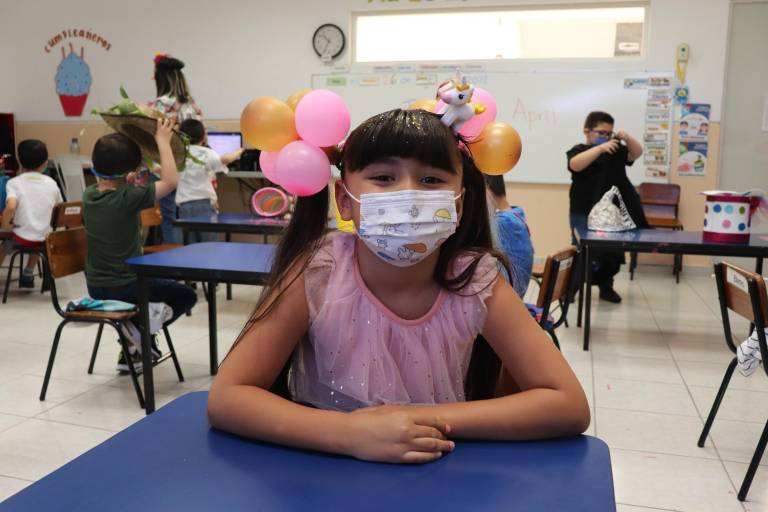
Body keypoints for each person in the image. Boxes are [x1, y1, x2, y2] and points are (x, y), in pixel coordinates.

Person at [207, 109, 590, 464]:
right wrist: (349, 433)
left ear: (458, 204)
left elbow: (568, 404)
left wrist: (416, 420)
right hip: (323, 472)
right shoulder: (319, 271)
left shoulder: (475, 279)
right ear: (344, 200)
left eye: (431, 180)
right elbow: (228, 396)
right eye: (384, 178)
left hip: (438, 472)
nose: (409, 196)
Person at [83, 119, 197, 372]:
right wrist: (162, 141)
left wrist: (130, 179)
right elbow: (170, 181)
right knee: (186, 295)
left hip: (96, 286)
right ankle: (141, 331)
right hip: (126, 287)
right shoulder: (128, 198)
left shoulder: (89, 195)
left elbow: (119, 189)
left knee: (155, 292)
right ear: (130, 174)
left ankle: (132, 345)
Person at [566, 111, 648, 303]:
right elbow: (575, 165)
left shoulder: (614, 151)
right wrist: (600, 148)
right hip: (582, 211)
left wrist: (627, 138)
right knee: (582, 251)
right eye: (601, 133)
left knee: (611, 252)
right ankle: (570, 291)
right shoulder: (579, 150)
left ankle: (606, 288)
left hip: (610, 213)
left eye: (609, 134)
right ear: (587, 131)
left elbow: (636, 153)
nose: (606, 137)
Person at [149, 54, 203, 245]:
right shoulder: (192, 105)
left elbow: (153, 138)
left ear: (160, 78)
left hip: (167, 167)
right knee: (187, 221)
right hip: (191, 169)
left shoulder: (159, 105)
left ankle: (172, 258)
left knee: (169, 218)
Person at [0, 140, 61, 289]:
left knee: (6, 243)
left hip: (21, 237)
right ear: (45, 163)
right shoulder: (52, 183)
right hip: (45, 238)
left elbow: (11, 206)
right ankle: (28, 273)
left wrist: (5, 225)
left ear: (19, 161)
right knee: (38, 231)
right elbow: (59, 208)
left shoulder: (14, 182)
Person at [177, 119, 242, 242]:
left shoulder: (178, 154)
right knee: (209, 245)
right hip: (204, 205)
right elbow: (225, 160)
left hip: (184, 206)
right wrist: (239, 151)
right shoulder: (207, 153)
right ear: (203, 137)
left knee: (190, 246)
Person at [484, 174, 533, 299]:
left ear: (486, 189)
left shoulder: (502, 223)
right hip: (517, 295)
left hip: (508, 298)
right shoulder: (516, 214)